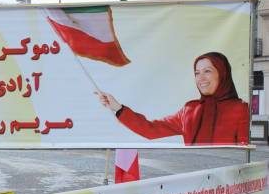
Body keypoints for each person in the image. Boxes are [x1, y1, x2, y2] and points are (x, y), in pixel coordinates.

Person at [96, 52, 249, 146]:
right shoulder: (189, 110)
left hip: (228, 186)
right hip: (197, 185)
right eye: (197, 73)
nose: (201, 78)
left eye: (207, 71)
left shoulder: (240, 109)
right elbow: (151, 130)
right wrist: (118, 108)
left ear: (222, 74)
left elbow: (242, 153)